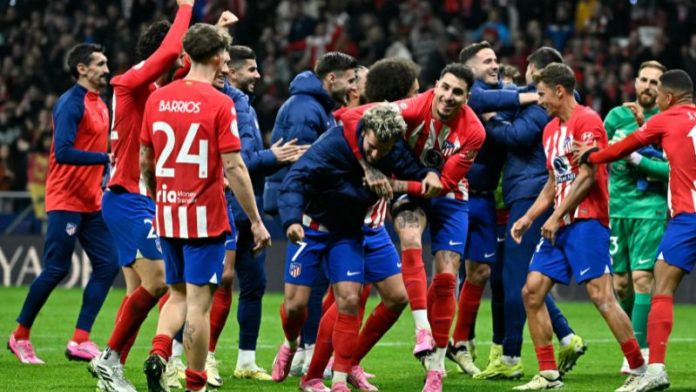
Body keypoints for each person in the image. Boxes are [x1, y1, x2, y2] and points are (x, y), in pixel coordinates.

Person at [139, 23, 270, 392]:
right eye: (226, 55)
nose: (228, 62)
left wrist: (157, 196)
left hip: (167, 212)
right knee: (198, 303)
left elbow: (145, 158)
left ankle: (159, 351)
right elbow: (234, 166)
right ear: (216, 57)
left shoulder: (157, 98)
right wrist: (257, 221)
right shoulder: (220, 102)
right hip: (204, 218)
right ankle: (195, 383)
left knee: (176, 293)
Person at [274, 102, 438, 391]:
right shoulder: (333, 146)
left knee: (349, 300)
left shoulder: (392, 148)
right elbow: (295, 180)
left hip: (349, 232)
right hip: (311, 229)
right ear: (365, 132)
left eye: (382, 151)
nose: (376, 155)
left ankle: (337, 380)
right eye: (372, 147)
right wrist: (290, 220)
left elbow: (414, 173)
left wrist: (427, 176)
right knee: (296, 307)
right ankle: (290, 343)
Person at [345, 63, 486, 392]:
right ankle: (421, 330)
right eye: (446, 88)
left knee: (448, 277)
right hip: (413, 190)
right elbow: (352, 118)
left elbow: (445, 183)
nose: (449, 97)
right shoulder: (412, 106)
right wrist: (369, 168)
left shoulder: (475, 131)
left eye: (458, 93)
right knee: (409, 236)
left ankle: (435, 369)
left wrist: (392, 186)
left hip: (450, 197)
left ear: (467, 98)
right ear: (436, 85)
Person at [510, 63, 645, 391]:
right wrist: (529, 217)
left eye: (541, 93)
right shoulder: (549, 130)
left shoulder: (587, 120)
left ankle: (641, 369)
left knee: (602, 296)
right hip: (561, 222)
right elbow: (554, 181)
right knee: (532, 292)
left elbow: (588, 177)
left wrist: (555, 217)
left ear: (560, 90)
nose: (538, 100)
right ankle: (549, 374)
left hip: (587, 220)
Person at [299, 57, 424, 392]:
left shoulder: (396, 127)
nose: (419, 94)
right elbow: (343, 124)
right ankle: (314, 373)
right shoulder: (363, 121)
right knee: (347, 300)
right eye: (414, 90)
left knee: (396, 297)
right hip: (348, 224)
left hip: (376, 223)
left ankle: (348, 362)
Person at [88, 2, 194, 390]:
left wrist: (210, 32)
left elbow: (184, 67)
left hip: (138, 200)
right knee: (163, 280)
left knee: (138, 292)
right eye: (179, 49)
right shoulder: (128, 83)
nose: (181, 58)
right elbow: (170, 56)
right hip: (127, 197)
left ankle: (111, 368)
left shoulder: (155, 90)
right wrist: (187, 8)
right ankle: (109, 359)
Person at [574, 69, 696, 392]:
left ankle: (654, 369)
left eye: (659, 95)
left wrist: (594, 156)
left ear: (668, 98)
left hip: (687, 218)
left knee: (661, 287)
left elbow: (623, 147)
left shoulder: (664, 119)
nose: (654, 98)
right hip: (668, 214)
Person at [473, 46, 585, 380]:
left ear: (535, 70)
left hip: (530, 192)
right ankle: (565, 336)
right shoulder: (543, 103)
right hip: (526, 192)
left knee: (517, 280)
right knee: (523, 279)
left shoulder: (540, 106)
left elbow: (516, 136)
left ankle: (510, 357)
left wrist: (492, 119)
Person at [8, 43, 119, 364]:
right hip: (65, 198)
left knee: (107, 264)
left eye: (106, 62)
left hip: (91, 200)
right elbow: (63, 151)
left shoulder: (100, 103)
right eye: (100, 63)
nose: (106, 68)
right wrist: (105, 158)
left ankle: (80, 340)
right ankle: (19, 336)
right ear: (82, 69)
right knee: (57, 269)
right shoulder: (70, 103)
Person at [216, 45, 307, 382]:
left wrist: (271, 158)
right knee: (215, 282)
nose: (258, 75)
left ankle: (246, 361)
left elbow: (247, 165)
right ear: (232, 71)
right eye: (251, 69)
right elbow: (235, 165)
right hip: (225, 205)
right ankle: (196, 357)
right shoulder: (226, 105)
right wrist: (274, 156)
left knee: (254, 283)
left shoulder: (246, 107)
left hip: (245, 205)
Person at [264, 51, 357, 375]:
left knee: (314, 284)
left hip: (303, 202)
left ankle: (306, 351)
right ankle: (304, 349)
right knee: (309, 286)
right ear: (331, 79)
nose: (353, 85)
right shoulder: (306, 107)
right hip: (298, 203)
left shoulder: (316, 105)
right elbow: (303, 165)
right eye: (349, 79)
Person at [602, 61, 669, 374]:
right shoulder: (616, 116)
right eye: (644, 79)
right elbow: (597, 155)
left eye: (655, 82)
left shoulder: (667, 122)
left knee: (643, 278)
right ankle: (633, 338)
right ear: (635, 82)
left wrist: (636, 156)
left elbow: (671, 170)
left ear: (663, 89)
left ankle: (638, 352)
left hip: (649, 208)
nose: (648, 86)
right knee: (622, 284)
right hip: (616, 208)